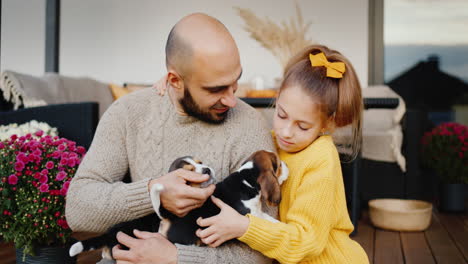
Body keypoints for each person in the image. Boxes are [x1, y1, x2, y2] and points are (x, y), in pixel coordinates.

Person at [65, 13, 276, 264]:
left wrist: (177, 257)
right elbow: (78, 209)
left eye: (235, 82)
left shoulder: (249, 124)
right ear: (175, 80)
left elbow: (262, 254)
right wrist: (154, 194)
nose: (232, 100)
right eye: (216, 89)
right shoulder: (128, 112)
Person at [193, 45, 370, 263]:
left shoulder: (321, 159)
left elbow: (306, 243)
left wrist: (243, 227)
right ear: (277, 99)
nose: (286, 132)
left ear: (327, 124)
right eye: (281, 114)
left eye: (303, 126)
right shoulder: (271, 141)